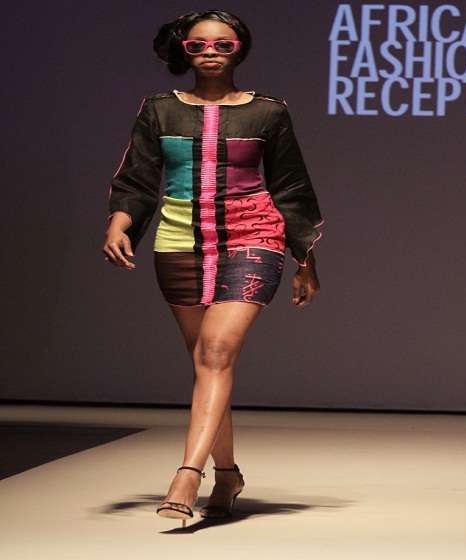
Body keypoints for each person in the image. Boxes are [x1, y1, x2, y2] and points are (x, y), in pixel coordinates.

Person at [103, 9, 322, 527]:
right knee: (207, 363)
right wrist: (118, 224)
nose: (210, 53)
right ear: (184, 51)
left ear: (239, 49)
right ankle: (228, 475)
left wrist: (305, 259)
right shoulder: (159, 110)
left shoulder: (268, 112)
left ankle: (187, 475)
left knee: (216, 353)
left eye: (223, 45)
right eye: (198, 45)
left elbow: (290, 186)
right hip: (179, 243)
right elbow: (138, 178)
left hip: (254, 237)